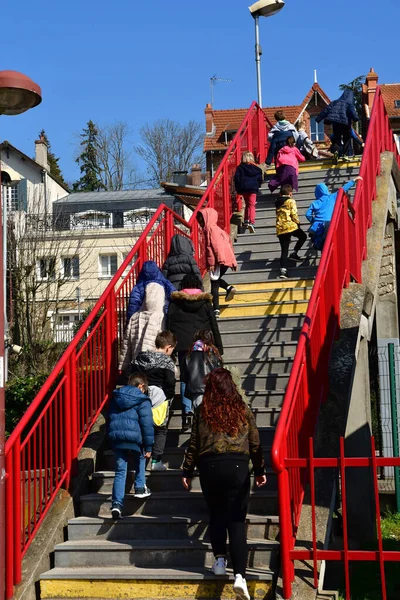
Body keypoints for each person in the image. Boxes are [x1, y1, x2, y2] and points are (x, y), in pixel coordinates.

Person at [181, 368, 266, 600]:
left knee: (217, 515)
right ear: (231, 386)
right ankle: (240, 576)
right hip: (238, 466)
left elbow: (194, 444)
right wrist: (259, 470)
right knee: (237, 521)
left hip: (209, 466)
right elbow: (255, 441)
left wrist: (186, 471)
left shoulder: (202, 410)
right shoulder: (242, 409)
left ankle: (219, 561)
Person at [167, 274, 223, 431]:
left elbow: (169, 324)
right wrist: (218, 346)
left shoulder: (175, 303)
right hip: (203, 345)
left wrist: (170, 347)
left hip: (183, 345)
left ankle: (187, 413)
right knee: (205, 375)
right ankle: (205, 410)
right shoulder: (205, 303)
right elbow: (213, 325)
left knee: (185, 378)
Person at [108, 372, 154, 519]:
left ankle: (116, 504)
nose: (144, 391)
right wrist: (149, 447)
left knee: (120, 470)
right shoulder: (142, 399)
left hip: (117, 438)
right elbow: (147, 425)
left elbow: (110, 417)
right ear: (141, 386)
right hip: (135, 438)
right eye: (144, 389)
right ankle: (140, 487)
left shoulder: (116, 396)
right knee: (140, 457)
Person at [132, 331, 177, 471]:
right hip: (160, 399)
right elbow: (170, 382)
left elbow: (130, 375)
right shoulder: (167, 361)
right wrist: (167, 396)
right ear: (168, 347)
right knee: (160, 430)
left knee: (140, 428)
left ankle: (138, 460)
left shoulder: (140, 358)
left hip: (140, 398)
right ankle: (156, 461)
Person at [119, 281, 167, 376]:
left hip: (136, 363)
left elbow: (126, 344)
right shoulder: (161, 317)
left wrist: (122, 366)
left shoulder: (135, 317)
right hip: (156, 366)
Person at [196, 208, 237, 317]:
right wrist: (233, 261)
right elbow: (228, 244)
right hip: (224, 259)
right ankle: (229, 288)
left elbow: (213, 247)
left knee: (214, 283)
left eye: (201, 222)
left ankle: (216, 309)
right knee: (216, 280)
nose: (200, 225)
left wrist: (213, 263)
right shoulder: (219, 229)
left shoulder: (210, 229)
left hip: (218, 260)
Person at [306, 176, 363, 250]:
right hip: (330, 223)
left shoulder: (314, 203)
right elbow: (343, 189)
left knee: (323, 244)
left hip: (317, 226)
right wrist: (354, 180)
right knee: (330, 242)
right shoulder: (332, 197)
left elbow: (307, 214)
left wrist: (314, 221)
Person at [181, 329, 223, 409]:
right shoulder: (214, 354)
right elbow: (220, 374)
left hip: (196, 390)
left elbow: (183, 377)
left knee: (200, 414)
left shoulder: (188, 356)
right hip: (212, 390)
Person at [316, 89, 359, 164]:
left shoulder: (335, 102)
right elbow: (353, 113)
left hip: (336, 123)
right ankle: (345, 154)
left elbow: (326, 110)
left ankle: (335, 152)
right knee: (347, 138)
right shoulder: (349, 103)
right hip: (345, 124)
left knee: (337, 138)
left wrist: (318, 119)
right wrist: (356, 119)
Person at [275, 184, 307, 279]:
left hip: (280, 228)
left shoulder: (277, 202)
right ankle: (294, 252)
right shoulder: (291, 201)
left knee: (284, 250)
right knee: (303, 236)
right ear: (290, 193)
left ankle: (283, 270)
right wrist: (298, 223)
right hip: (290, 225)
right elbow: (294, 213)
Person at [234, 151, 263, 233]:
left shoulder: (240, 168)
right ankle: (252, 221)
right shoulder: (257, 169)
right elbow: (260, 179)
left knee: (247, 203)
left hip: (244, 188)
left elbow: (237, 178)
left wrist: (238, 189)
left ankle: (246, 219)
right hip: (253, 188)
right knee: (252, 205)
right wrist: (258, 185)